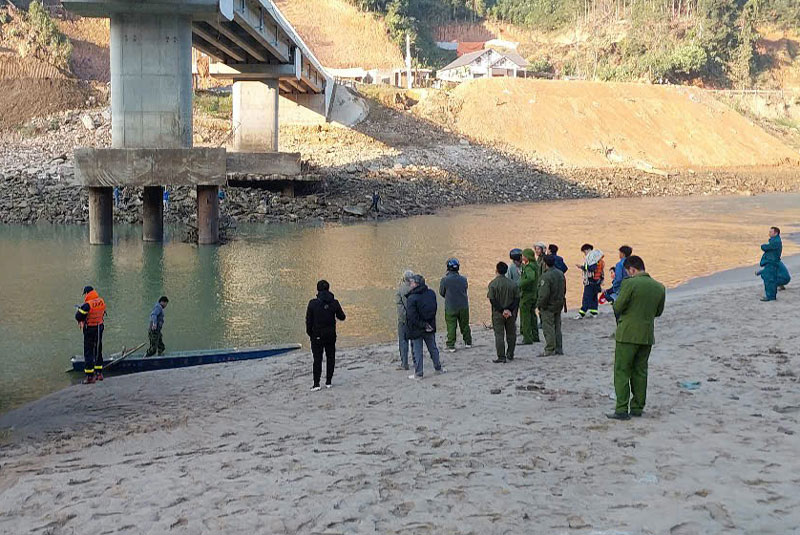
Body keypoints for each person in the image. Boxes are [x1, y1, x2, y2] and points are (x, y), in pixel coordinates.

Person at [608, 255, 666, 420]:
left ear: (632, 269)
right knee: (640, 371)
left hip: (627, 334)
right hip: (646, 335)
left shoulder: (630, 283)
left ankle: (621, 409)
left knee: (622, 371)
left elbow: (618, 306)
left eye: (628, 272)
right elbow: (658, 312)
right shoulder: (659, 287)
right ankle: (637, 407)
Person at [305, 280, 346, 391]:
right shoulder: (334, 302)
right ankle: (328, 381)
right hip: (330, 334)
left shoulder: (313, 303)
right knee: (330, 357)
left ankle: (316, 384)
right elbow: (342, 317)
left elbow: (308, 321)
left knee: (317, 359)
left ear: (318, 290)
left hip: (317, 335)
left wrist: (310, 334)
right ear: (328, 289)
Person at [406, 274, 445, 379]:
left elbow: (411, 316)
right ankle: (438, 368)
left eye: (412, 282)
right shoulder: (431, 293)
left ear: (417, 284)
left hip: (417, 328)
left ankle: (419, 373)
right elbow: (434, 309)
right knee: (433, 348)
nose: (410, 284)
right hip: (430, 326)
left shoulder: (411, 298)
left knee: (417, 351)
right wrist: (428, 324)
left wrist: (422, 325)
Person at [488, 262, 521, 363]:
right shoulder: (513, 284)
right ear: (506, 271)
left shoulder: (493, 284)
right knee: (511, 334)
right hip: (511, 313)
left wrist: (502, 310)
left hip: (498, 313)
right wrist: (509, 310)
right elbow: (517, 299)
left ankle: (501, 356)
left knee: (499, 335)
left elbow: (492, 300)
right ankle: (510, 354)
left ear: (496, 270)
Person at [439, 258, 472, 352]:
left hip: (451, 306)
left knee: (451, 326)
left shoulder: (445, 280)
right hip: (463, 306)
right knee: (465, 325)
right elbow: (465, 289)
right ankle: (468, 342)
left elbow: (442, 292)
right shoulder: (464, 279)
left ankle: (451, 345)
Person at [74, 286, 106, 384]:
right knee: (98, 350)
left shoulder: (87, 305)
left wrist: (81, 316)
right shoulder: (101, 301)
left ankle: (89, 377)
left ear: (87, 293)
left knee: (88, 352)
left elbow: (78, 316)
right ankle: (99, 373)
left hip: (90, 329)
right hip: (99, 328)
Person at [537, 255, 566, 357]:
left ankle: (550, 349)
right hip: (559, 303)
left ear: (545, 264)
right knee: (557, 327)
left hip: (549, 306)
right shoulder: (560, 274)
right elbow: (564, 289)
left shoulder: (546, 276)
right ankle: (558, 348)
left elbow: (544, 294)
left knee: (548, 327)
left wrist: (540, 305)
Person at [575, 244, 605, 319]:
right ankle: (594, 312)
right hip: (597, 281)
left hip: (590, 282)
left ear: (587, 250)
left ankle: (581, 313)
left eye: (584, 252)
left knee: (586, 297)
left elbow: (592, 268)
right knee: (594, 297)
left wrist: (581, 267)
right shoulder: (598, 258)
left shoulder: (592, 258)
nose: (584, 254)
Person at [519, 248, 540, 344]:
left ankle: (527, 338)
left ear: (527, 257)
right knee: (532, 315)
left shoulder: (529, 267)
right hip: (534, 294)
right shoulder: (535, 265)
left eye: (523, 255)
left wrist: (520, 284)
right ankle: (535, 336)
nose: (522, 257)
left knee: (525, 316)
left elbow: (530, 278)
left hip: (527, 295)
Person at [395, 270, 415, 370]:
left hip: (403, 320)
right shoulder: (415, 288)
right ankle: (416, 361)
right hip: (415, 319)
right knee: (414, 341)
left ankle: (404, 363)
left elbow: (400, 307)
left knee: (403, 341)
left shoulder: (400, 290)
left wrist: (404, 318)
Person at [757, 227, 782, 302]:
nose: (769, 233)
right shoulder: (775, 240)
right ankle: (771, 296)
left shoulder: (776, 241)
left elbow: (766, 247)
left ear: (776, 233)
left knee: (769, 280)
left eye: (771, 232)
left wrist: (763, 246)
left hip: (772, 263)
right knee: (770, 279)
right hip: (771, 263)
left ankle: (770, 297)